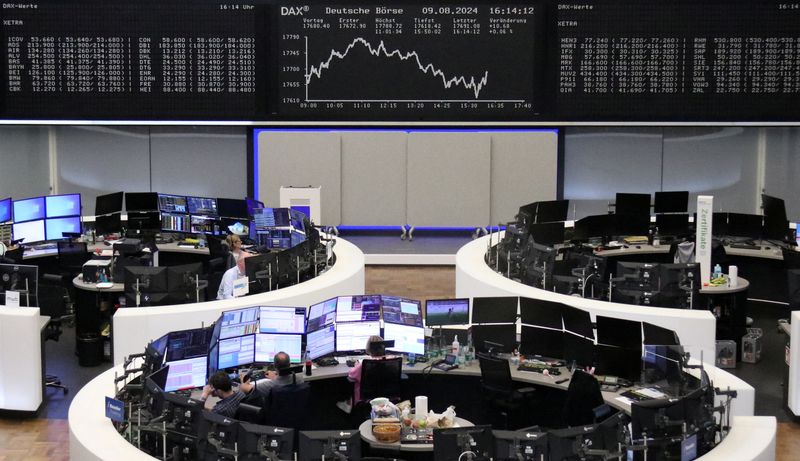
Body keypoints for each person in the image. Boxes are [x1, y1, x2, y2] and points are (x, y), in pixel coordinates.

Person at [336, 335, 388, 414]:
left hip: (364, 398)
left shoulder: (363, 365)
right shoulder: (390, 361)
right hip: (385, 397)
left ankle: (348, 403)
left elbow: (351, 375)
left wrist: (357, 365)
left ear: (369, 349)